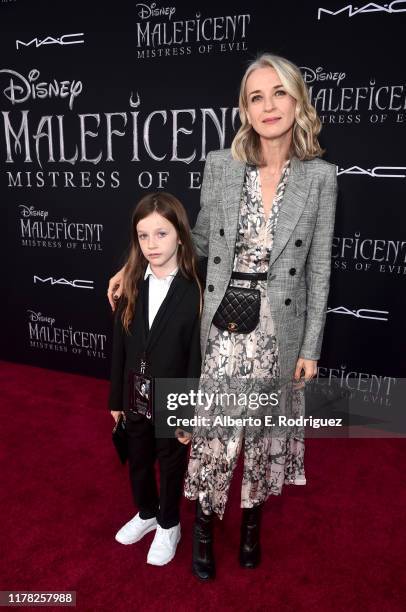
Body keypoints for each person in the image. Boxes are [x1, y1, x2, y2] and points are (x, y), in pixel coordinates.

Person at [107, 52, 338, 580]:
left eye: (278, 92)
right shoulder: (221, 166)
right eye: (256, 96)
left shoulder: (321, 178)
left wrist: (310, 348)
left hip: (278, 330)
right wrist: (130, 269)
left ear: (297, 99)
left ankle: (252, 524)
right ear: (244, 109)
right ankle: (203, 527)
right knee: (210, 433)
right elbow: (198, 243)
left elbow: (320, 269)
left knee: (260, 435)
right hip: (220, 326)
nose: (268, 105)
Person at [108, 192, 202, 566]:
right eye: (143, 236)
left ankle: (168, 523)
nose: (151, 245)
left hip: (176, 393)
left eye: (161, 234)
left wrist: (190, 411)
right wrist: (115, 400)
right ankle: (146, 513)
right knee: (139, 457)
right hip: (135, 392)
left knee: (171, 459)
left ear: (180, 233)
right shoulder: (130, 282)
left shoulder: (195, 288)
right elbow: (119, 348)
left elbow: (197, 356)